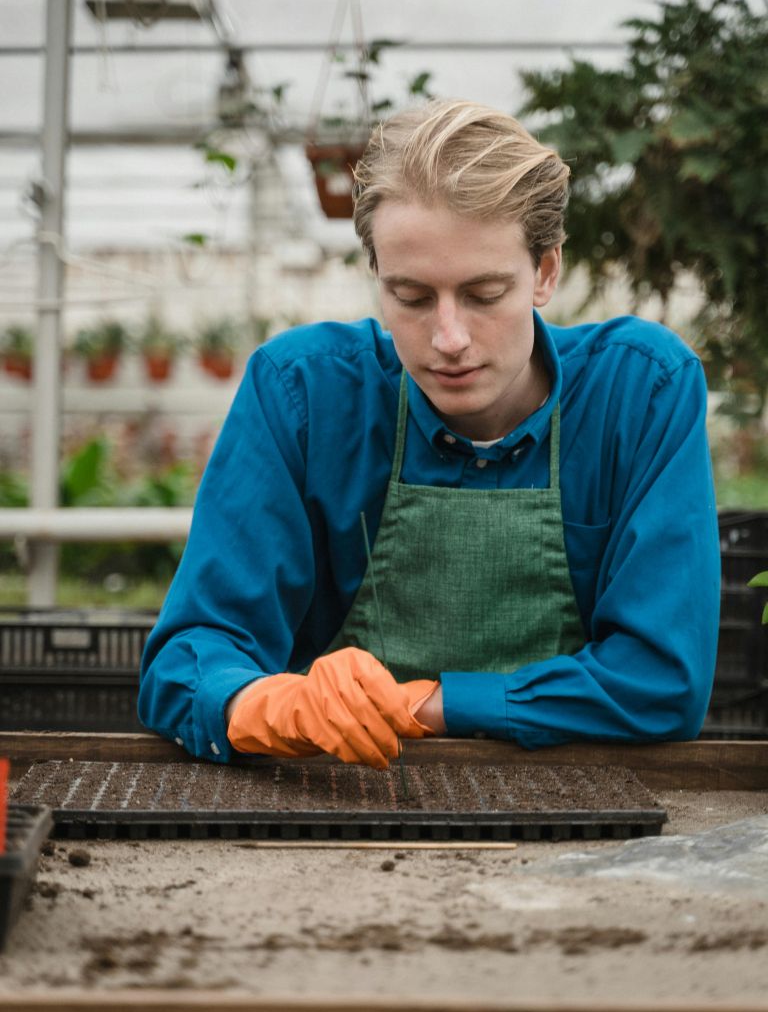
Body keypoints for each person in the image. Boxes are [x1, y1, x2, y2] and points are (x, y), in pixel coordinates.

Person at [138, 99, 721, 767]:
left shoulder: (639, 391)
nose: (449, 338)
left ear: (547, 271)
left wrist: (424, 705)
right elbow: (188, 656)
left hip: (579, 818)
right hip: (335, 804)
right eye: (412, 298)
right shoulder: (305, 394)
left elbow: (662, 679)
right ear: (378, 279)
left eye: (483, 294)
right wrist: (261, 705)